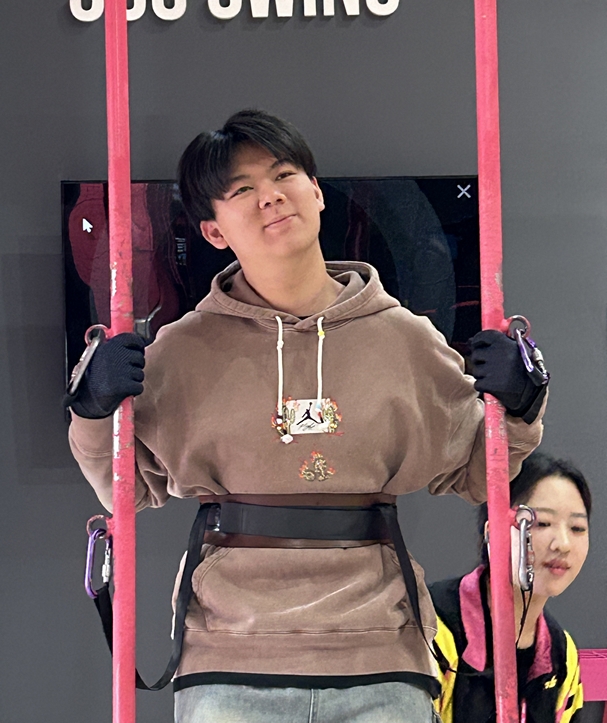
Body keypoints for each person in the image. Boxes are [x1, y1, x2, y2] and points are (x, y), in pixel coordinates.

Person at [66, 110, 548, 723]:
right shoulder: (181, 352)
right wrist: (92, 407)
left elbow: (481, 472)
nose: (269, 196)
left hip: (380, 653)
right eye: (242, 189)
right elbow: (124, 487)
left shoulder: (405, 339)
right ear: (213, 231)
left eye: (283, 175)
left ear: (316, 192)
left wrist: (521, 402)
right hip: (230, 655)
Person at [429, 451, 590, 723]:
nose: (563, 544)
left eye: (577, 528)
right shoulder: (432, 628)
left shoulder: (563, 657)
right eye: (541, 523)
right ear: (493, 533)